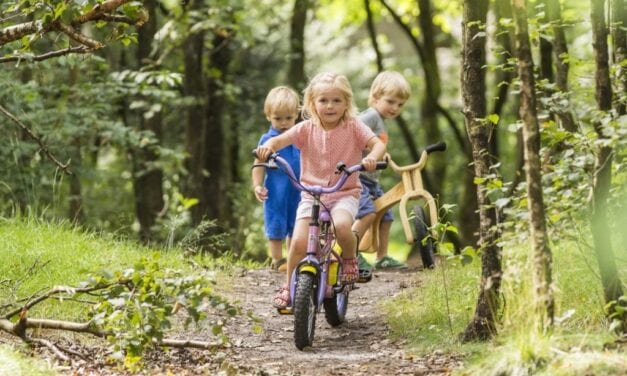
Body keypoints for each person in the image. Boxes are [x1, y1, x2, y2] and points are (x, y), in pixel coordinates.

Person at [255, 72, 387, 309]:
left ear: (347, 103)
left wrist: (372, 159)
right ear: (312, 103)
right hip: (312, 194)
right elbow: (278, 140)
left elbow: (377, 144)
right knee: (297, 243)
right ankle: (288, 286)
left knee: (343, 225)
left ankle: (349, 260)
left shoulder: (354, 127)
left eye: (337, 100)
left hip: (344, 192)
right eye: (323, 100)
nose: (330, 106)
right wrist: (267, 148)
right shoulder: (306, 129)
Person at [352, 71, 412, 275]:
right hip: (358, 177)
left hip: (372, 180)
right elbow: (353, 133)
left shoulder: (381, 120)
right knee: (366, 213)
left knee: (386, 215)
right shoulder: (370, 116)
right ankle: (351, 253)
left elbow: (374, 143)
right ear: (376, 98)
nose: (395, 108)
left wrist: (382, 154)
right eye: (391, 101)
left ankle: (382, 257)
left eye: (400, 104)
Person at [252, 86, 301, 273]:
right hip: (276, 190)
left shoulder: (300, 136)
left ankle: (292, 258)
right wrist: (257, 185)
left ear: (296, 115)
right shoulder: (267, 139)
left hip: (299, 190)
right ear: (268, 117)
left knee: (296, 225)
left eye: (288, 118)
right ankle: (277, 259)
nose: (283, 123)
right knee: (276, 223)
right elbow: (258, 163)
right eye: (278, 118)